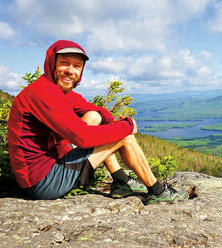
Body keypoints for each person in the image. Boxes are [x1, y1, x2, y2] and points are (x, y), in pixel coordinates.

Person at [7, 40, 188, 204]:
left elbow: (94, 110)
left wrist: (112, 122)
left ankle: (121, 182)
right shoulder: (44, 94)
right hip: (43, 181)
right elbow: (82, 138)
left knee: (94, 116)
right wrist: (127, 126)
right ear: (51, 63)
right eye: (64, 63)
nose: (71, 70)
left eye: (77, 66)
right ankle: (157, 191)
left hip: (44, 168)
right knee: (125, 137)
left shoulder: (56, 90)